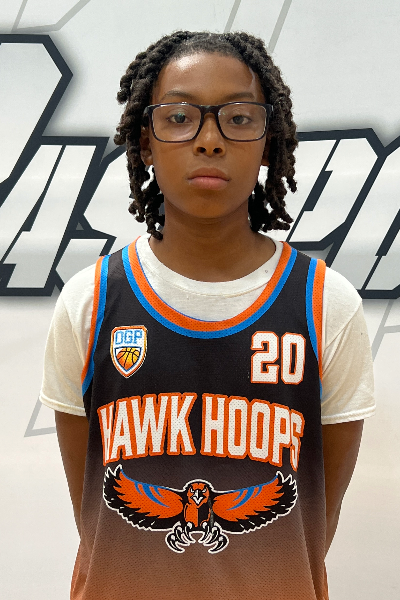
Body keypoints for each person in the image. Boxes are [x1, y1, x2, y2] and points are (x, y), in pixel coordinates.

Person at [40, 31, 375, 600]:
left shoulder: (326, 304)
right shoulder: (90, 300)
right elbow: (94, 515)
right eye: (179, 117)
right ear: (145, 143)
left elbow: (314, 525)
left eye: (239, 119)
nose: (210, 141)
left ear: (267, 143)